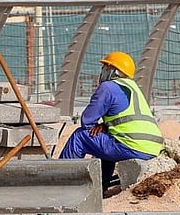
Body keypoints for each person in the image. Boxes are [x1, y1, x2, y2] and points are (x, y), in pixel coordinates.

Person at [59, 51, 164, 196]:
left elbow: (87, 121)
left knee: (80, 136)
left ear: (112, 70)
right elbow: (126, 118)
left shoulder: (108, 87)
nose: (102, 72)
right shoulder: (134, 88)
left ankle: (62, 183)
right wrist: (106, 126)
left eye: (105, 68)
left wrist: (100, 126)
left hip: (131, 146)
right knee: (105, 143)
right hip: (152, 147)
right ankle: (100, 186)